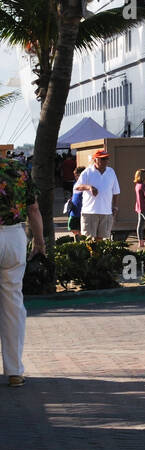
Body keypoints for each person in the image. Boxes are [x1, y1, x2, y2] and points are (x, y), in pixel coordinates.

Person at [0, 150, 46, 386]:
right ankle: (14, 370)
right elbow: (34, 209)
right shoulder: (18, 169)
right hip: (14, 238)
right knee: (13, 304)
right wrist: (39, 242)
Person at [73, 150, 120, 240]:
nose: (105, 161)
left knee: (101, 241)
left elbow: (116, 191)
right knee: (88, 240)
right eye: (102, 159)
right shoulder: (87, 172)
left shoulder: (111, 172)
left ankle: (98, 255)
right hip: (90, 212)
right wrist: (89, 187)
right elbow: (77, 187)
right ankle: (90, 255)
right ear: (95, 160)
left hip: (106, 212)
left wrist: (115, 206)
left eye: (106, 158)